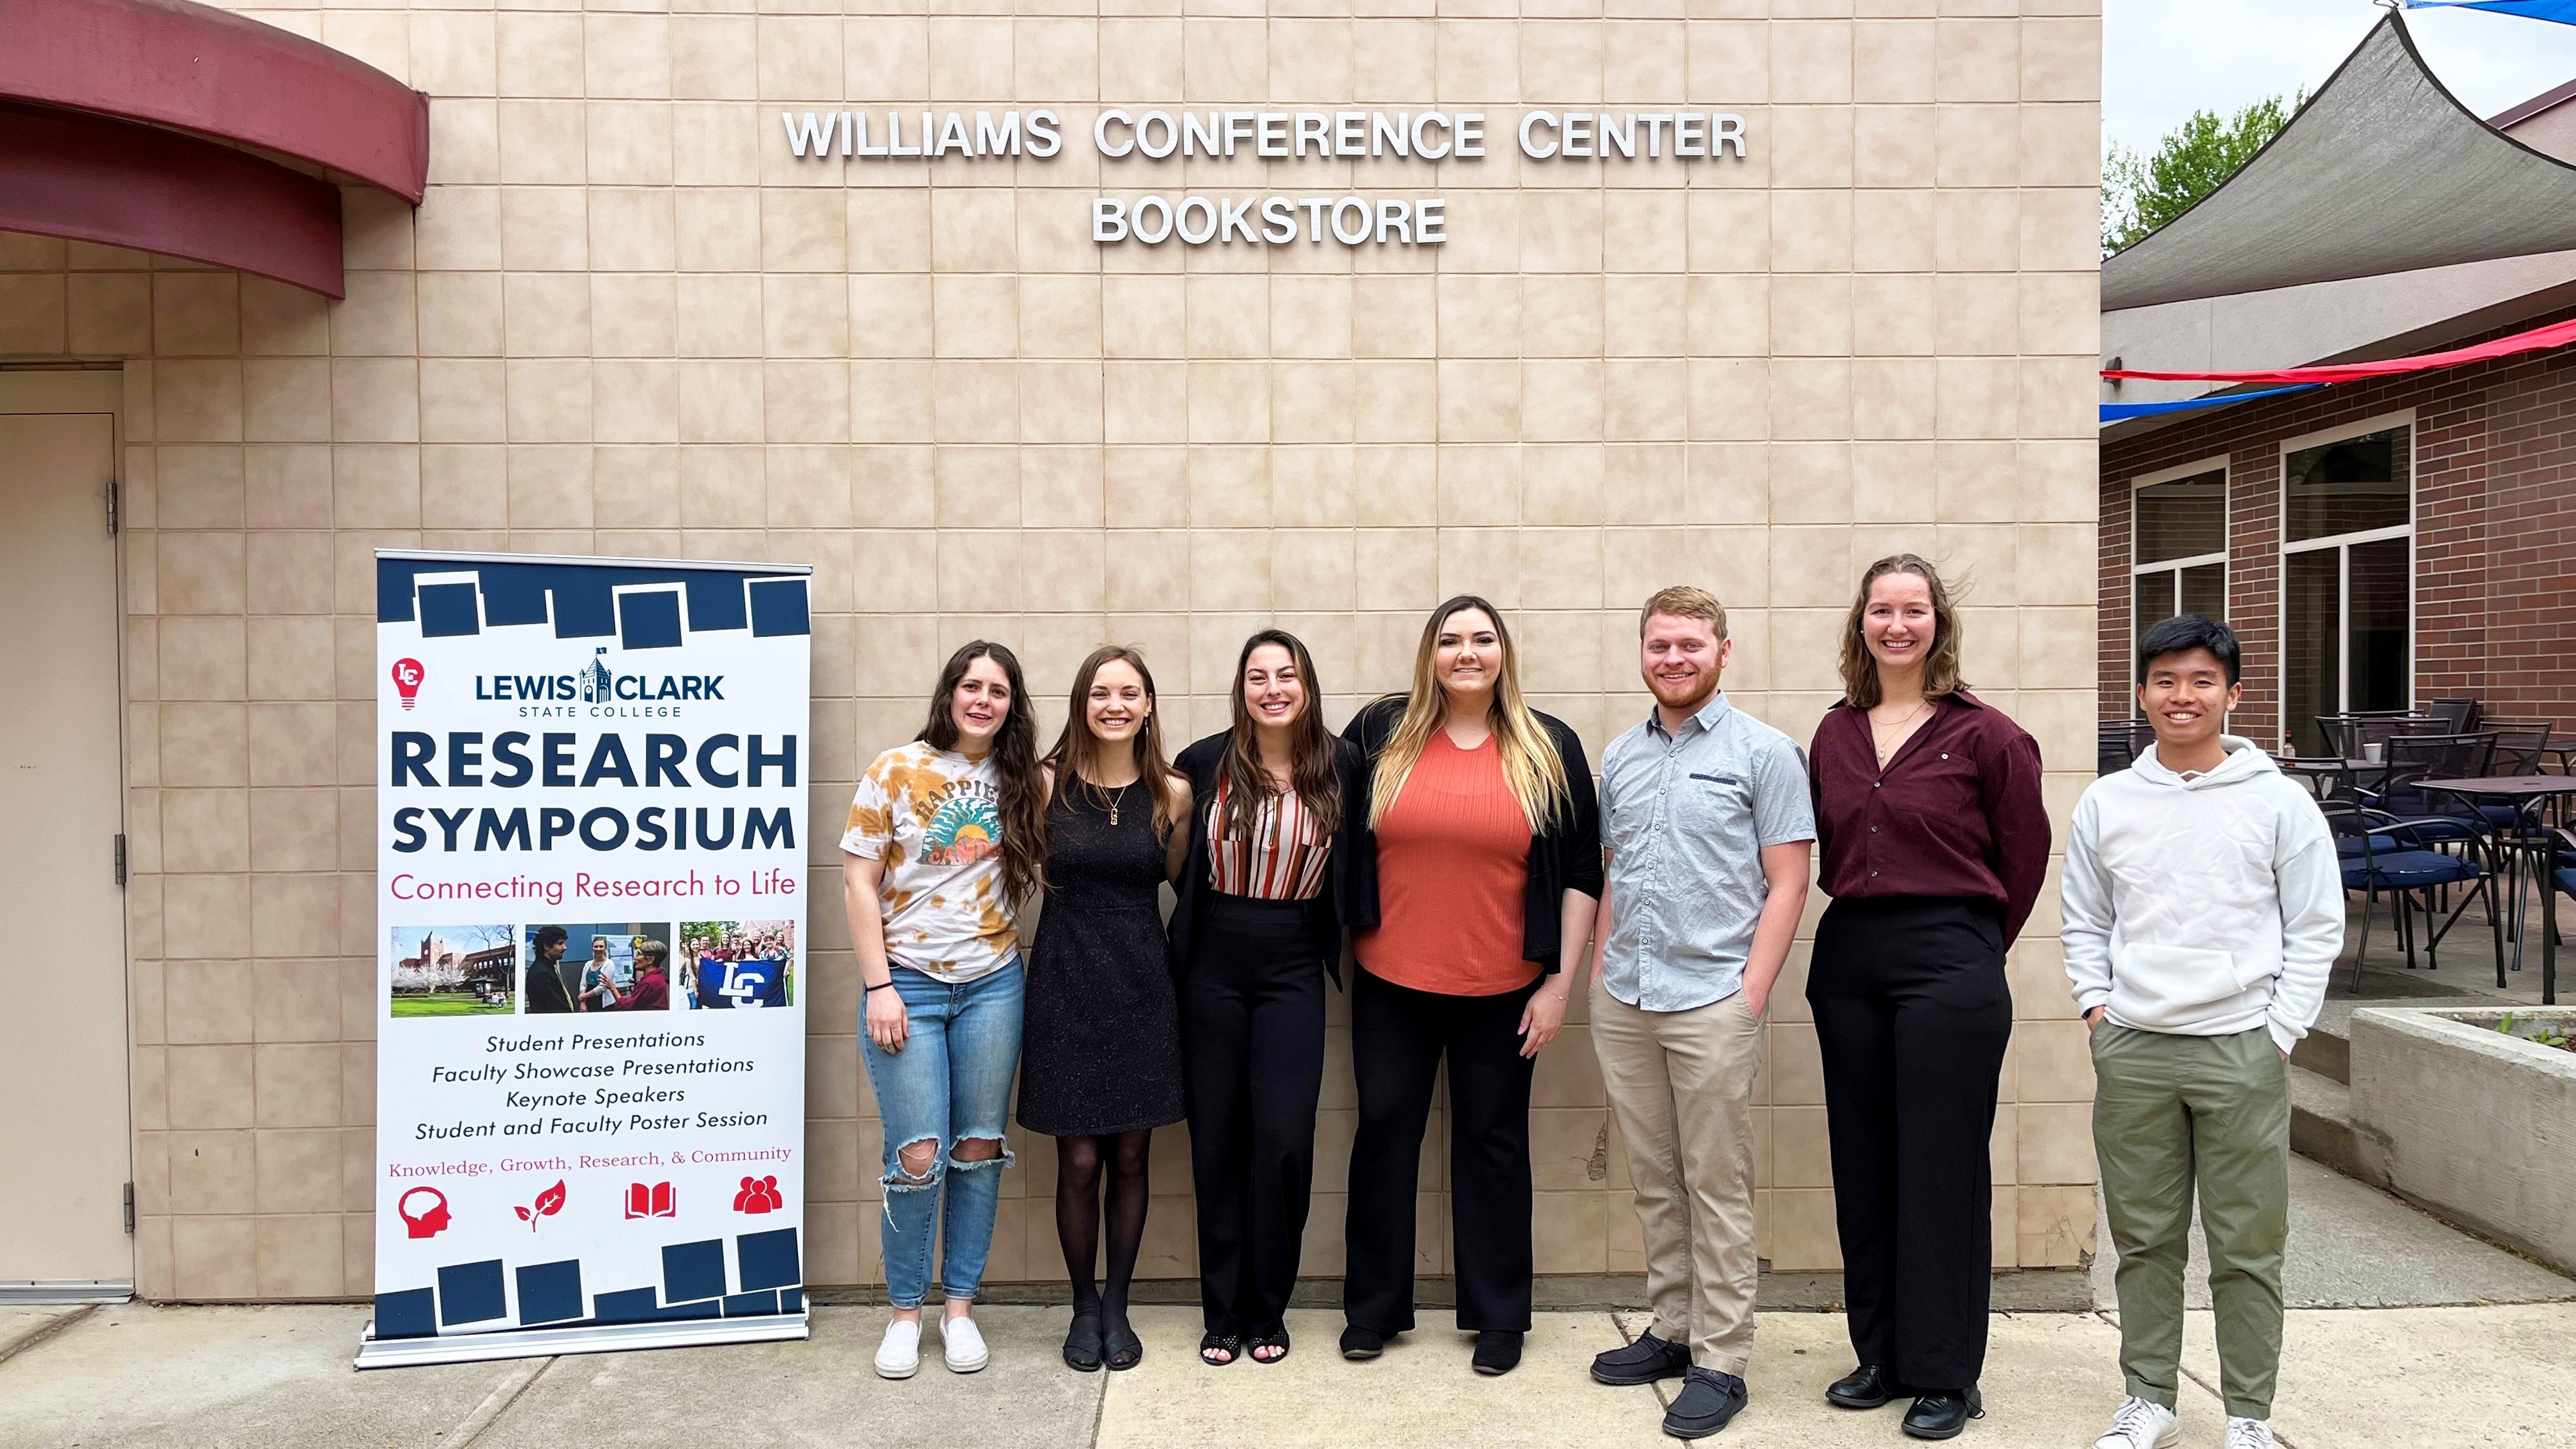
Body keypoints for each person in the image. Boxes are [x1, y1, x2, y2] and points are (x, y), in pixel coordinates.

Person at [2065, 617, 2338, 1449]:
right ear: (2142, 692)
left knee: (2247, 1244)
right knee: (2144, 1240)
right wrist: (2097, 1009)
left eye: (2201, 680)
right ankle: (2148, 1397)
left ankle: (2249, 1414)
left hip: (2241, 1050)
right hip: (2137, 1046)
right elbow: (2084, 919)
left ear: (2233, 694)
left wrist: (2280, 1031)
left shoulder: (2278, 801)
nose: (2182, 696)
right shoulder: (2108, 801)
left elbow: (2316, 924)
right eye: (2165, 680)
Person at [1806, 553, 2049, 1441]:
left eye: (1914, 610)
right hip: (1849, 957)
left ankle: (1947, 1370)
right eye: (1881, 610)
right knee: (1863, 1162)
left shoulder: (1986, 734)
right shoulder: (1835, 731)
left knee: (1942, 1169)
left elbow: (2023, 858)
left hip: (1950, 958)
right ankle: (1880, 1353)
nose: (1896, 625)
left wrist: (1973, 947)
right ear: (1861, 624)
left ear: (1938, 623)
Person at [1336, 597, 1601, 1377]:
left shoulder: (1549, 746)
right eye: (1450, 640)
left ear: (1503, 653)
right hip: (1391, 981)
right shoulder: (1380, 733)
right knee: (1385, 1136)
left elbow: (1583, 873)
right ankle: (1374, 1311)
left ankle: (1497, 1318)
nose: (1466, 653)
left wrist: (1557, 987)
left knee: (1493, 1146)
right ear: (1430, 654)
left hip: (1506, 990)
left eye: (1482, 639)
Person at [1583, 587, 1815, 1439]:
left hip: (1714, 997)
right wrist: (1606, 969)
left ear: (1723, 650)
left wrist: (1749, 992)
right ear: (1641, 652)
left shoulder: (1765, 753)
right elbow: (1614, 871)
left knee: (1717, 1182)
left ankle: (1722, 1357)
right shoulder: (1623, 756)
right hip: (1628, 996)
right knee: (1654, 1175)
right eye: (1659, 645)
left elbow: (1789, 879)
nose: (1673, 658)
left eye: (1690, 644)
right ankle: (1674, 1327)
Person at [842, 640, 1048, 1381]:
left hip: (994, 983)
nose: (983, 699)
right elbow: (858, 883)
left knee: (977, 1150)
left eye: (998, 689)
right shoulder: (895, 769)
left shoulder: (1025, 778)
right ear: (950, 693)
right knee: (917, 1156)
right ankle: (906, 1314)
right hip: (908, 987)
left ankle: (959, 1309)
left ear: (1011, 705)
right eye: (971, 685)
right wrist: (878, 987)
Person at [1169, 629, 1364, 1368]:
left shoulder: (1341, 762)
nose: (1273, 688)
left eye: (1287, 675)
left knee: (1282, 1141)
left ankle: (1266, 1309)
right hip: (1213, 959)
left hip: (1292, 965)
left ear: (1307, 686)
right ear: (1241, 688)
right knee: (1217, 1140)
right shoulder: (1203, 761)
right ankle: (1221, 1313)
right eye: (1258, 676)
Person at [1017, 646, 1192, 1374]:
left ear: (1149, 704)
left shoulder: (1175, 793)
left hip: (1141, 982)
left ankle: (1117, 1304)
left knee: (1130, 1153)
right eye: (1100, 692)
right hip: (1063, 978)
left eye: (1129, 692)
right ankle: (1083, 1303)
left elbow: (1183, 889)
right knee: (1080, 1157)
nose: (1114, 704)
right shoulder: (1043, 782)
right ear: (1080, 703)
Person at [524, 926, 574, 1014]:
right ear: (547, 946)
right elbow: (558, 1009)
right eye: (560, 943)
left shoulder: (547, 968)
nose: (565, 947)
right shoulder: (542, 974)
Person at [615, 940, 670, 1011]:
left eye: (639, 954)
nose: (635, 958)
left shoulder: (650, 982)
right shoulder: (657, 977)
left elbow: (628, 1007)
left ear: (650, 960)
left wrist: (612, 988)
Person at [578, 937, 620, 1011]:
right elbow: (583, 983)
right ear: (592, 948)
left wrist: (583, 997)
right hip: (589, 1000)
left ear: (605, 948)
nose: (598, 949)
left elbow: (602, 987)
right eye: (596, 946)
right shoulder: (588, 964)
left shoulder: (609, 964)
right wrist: (583, 1002)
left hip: (604, 1003)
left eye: (601, 946)